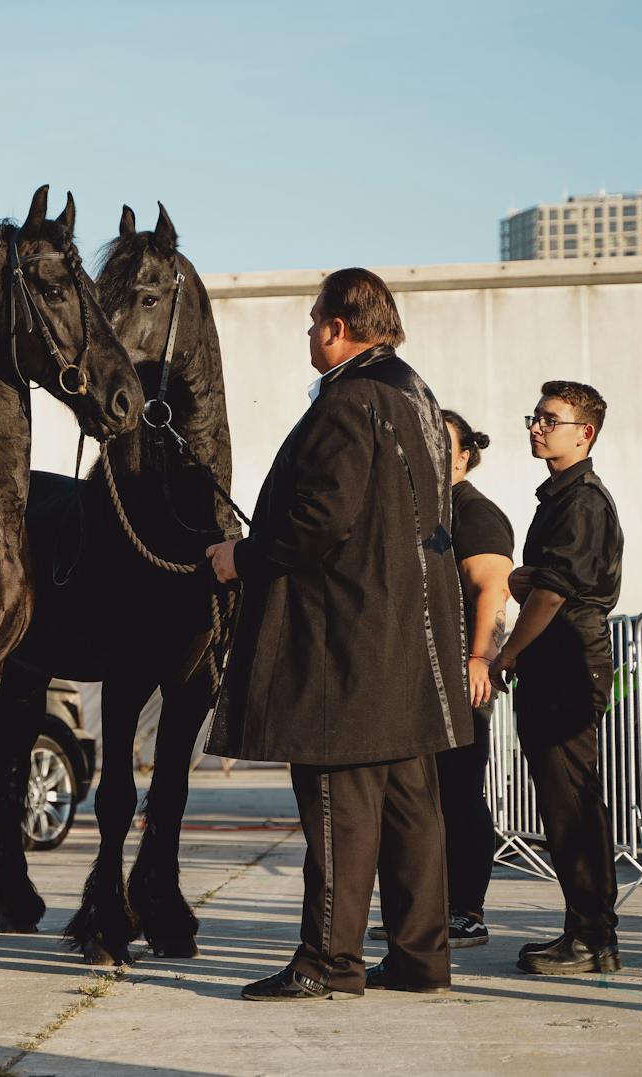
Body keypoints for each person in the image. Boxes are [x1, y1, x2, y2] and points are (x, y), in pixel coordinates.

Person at [204, 268, 471, 1001]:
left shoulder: (348, 401)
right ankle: (421, 956)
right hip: (407, 647)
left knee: (335, 805)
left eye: (314, 319)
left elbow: (323, 520)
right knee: (412, 808)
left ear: (337, 327)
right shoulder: (414, 392)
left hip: (346, 645)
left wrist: (241, 558)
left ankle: (328, 959)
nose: (309, 332)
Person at [491, 380, 624, 975]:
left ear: (585, 432)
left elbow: (551, 594)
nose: (536, 428)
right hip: (560, 658)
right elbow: (543, 582)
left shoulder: (583, 500)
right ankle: (587, 932)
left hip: (569, 659)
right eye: (534, 417)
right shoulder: (560, 496)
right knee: (565, 801)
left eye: (549, 419)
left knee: (572, 803)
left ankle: (593, 938)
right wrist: (528, 582)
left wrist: (506, 653)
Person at [369, 411, 512, 949]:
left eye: (439, 444)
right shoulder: (418, 512)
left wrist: (480, 659)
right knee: (412, 800)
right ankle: (424, 907)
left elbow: (492, 589)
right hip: (412, 680)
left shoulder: (474, 513)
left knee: (457, 794)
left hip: (458, 680)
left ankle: (465, 911)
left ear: (464, 456)